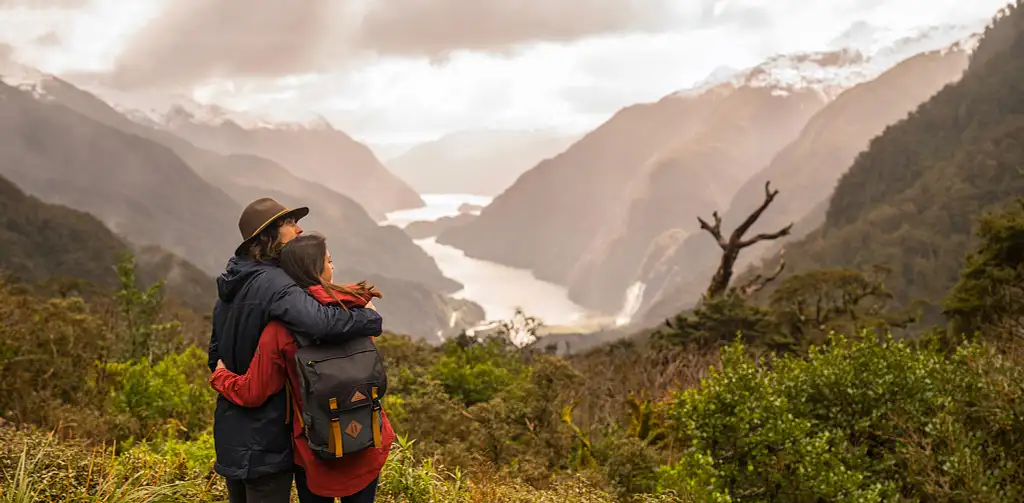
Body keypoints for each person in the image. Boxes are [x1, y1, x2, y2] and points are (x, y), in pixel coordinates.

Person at [208, 198, 383, 503]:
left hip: (231, 430)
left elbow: (215, 355)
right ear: (267, 235)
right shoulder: (275, 284)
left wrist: (223, 377)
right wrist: (368, 317)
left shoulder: (231, 286)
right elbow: (320, 323)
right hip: (267, 437)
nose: (298, 228)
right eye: (289, 223)